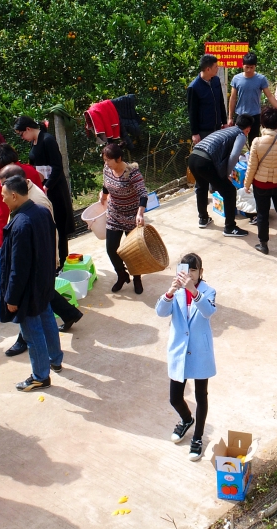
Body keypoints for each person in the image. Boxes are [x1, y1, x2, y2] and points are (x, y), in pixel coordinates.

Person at [0, 174, 62, 391]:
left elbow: (18, 267)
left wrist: (12, 298)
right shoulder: (42, 211)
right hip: (43, 282)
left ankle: (40, 376)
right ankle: (56, 359)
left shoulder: (20, 224)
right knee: (48, 319)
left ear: (14, 196)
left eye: (4, 194)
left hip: (27, 290)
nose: (2, 198)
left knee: (32, 334)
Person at [157, 253, 216, 462]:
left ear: (201, 272)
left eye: (194, 270)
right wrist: (171, 292)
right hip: (179, 352)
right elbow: (161, 312)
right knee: (174, 397)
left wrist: (193, 290)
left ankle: (198, 438)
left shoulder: (208, 291)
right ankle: (186, 419)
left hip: (200, 352)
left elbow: (208, 311)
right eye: (186, 270)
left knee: (201, 396)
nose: (190, 274)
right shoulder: (176, 293)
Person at [14, 116, 74, 266]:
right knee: (48, 226)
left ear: (28, 129)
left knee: (59, 225)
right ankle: (53, 262)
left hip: (55, 190)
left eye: (21, 134)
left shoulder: (47, 140)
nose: (22, 138)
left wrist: (47, 186)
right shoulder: (34, 142)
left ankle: (63, 262)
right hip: (43, 189)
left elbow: (57, 167)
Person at [98, 141, 150, 293]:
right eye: (105, 160)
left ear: (119, 159)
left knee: (133, 251)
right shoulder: (108, 169)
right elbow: (106, 184)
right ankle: (122, 274)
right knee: (111, 249)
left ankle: (137, 278)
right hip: (114, 214)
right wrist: (104, 196)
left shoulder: (132, 173)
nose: (106, 163)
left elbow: (143, 194)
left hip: (131, 217)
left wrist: (140, 213)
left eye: (108, 160)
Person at [244, 108, 277, 255]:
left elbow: (252, 166)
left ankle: (264, 244)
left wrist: (247, 184)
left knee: (262, 214)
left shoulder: (257, 142)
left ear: (262, 123)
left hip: (261, 183)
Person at [190, 118, 255, 235]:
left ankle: (203, 218)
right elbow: (234, 155)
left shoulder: (227, 130)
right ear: (248, 129)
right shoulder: (241, 135)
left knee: (201, 187)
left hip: (193, 157)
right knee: (229, 191)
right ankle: (230, 227)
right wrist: (226, 174)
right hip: (205, 161)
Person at [227, 52, 276, 129]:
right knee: (238, 139)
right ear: (242, 65)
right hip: (240, 114)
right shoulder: (236, 79)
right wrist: (230, 117)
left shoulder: (261, 79)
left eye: (251, 67)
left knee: (254, 140)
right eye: (247, 67)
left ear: (255, 66)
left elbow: (269, 96)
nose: (249, 70)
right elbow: (233, 98)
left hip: (255, 115)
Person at [187, 54, 227, 144]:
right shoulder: (194, 87)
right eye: (216, 67)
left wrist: (224, 122)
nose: (218, 68)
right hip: (203, 132)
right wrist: (195, 133)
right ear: (208, 69)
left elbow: (220, 102)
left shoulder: (216, 80)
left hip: (218, 128)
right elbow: (192, 112)